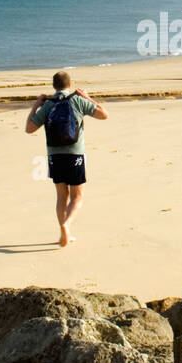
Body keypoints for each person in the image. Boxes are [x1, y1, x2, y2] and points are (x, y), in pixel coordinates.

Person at [25, 71, 108, 246]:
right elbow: (104, 114)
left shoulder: (48, 105)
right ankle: (67, 225)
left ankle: (64, 233)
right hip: (75, 155)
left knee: (61, 197)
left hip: (55, 156)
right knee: (77, 196)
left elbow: (29, 128)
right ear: (69, 85)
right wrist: (87, 97)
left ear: (54, 86)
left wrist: (36, 106)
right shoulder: (77, 100)